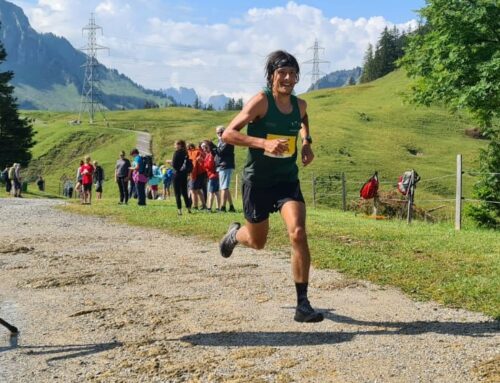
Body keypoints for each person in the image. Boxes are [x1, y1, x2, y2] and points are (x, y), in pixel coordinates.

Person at [218, 50, 322, 323]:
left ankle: (303, 304)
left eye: (292, 74)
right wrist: (263, 143)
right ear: (272, 76)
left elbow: (303, 118)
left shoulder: (300, 105)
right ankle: (235, 235)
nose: (288, 78)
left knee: (298, 232)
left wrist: (307, 142)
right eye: (282, 73)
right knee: (257, 242)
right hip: (258, 182)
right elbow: (228, 134)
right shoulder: (261, 102)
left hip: (286, 180)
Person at [215, 126, 236, 212]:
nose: (219, 134)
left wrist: (214, 147)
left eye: (221, 132)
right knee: (225, 187)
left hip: (225, 165)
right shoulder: (222, 141)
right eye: (218, 133)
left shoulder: (227, 140)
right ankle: (231, 207)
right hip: (222, 165)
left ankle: (222, 207)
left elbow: (220, 152)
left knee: (223, 187)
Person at [171, 140, 192, 215]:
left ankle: (179, 211)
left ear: (179, 145)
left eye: (175, 144)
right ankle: (189, 209)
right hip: (184, 174)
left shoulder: (176, 152)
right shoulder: (185, 153)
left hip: (177, 174)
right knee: (184, 192)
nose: (174, 145)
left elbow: (174, 164)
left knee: (177, 193)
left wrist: (171, 164)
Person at [201, 140, 221, 212]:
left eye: (204, 147)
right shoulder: (208, 154)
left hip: (213, 175)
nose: (203, 149)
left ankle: (209, 208)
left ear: (208, 147)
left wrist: (202, 162)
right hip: (213, 175)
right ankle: (218, 208)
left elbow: (210, 165)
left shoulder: (211, 154)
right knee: (216, 192)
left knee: (211, 192)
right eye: (202, 147)